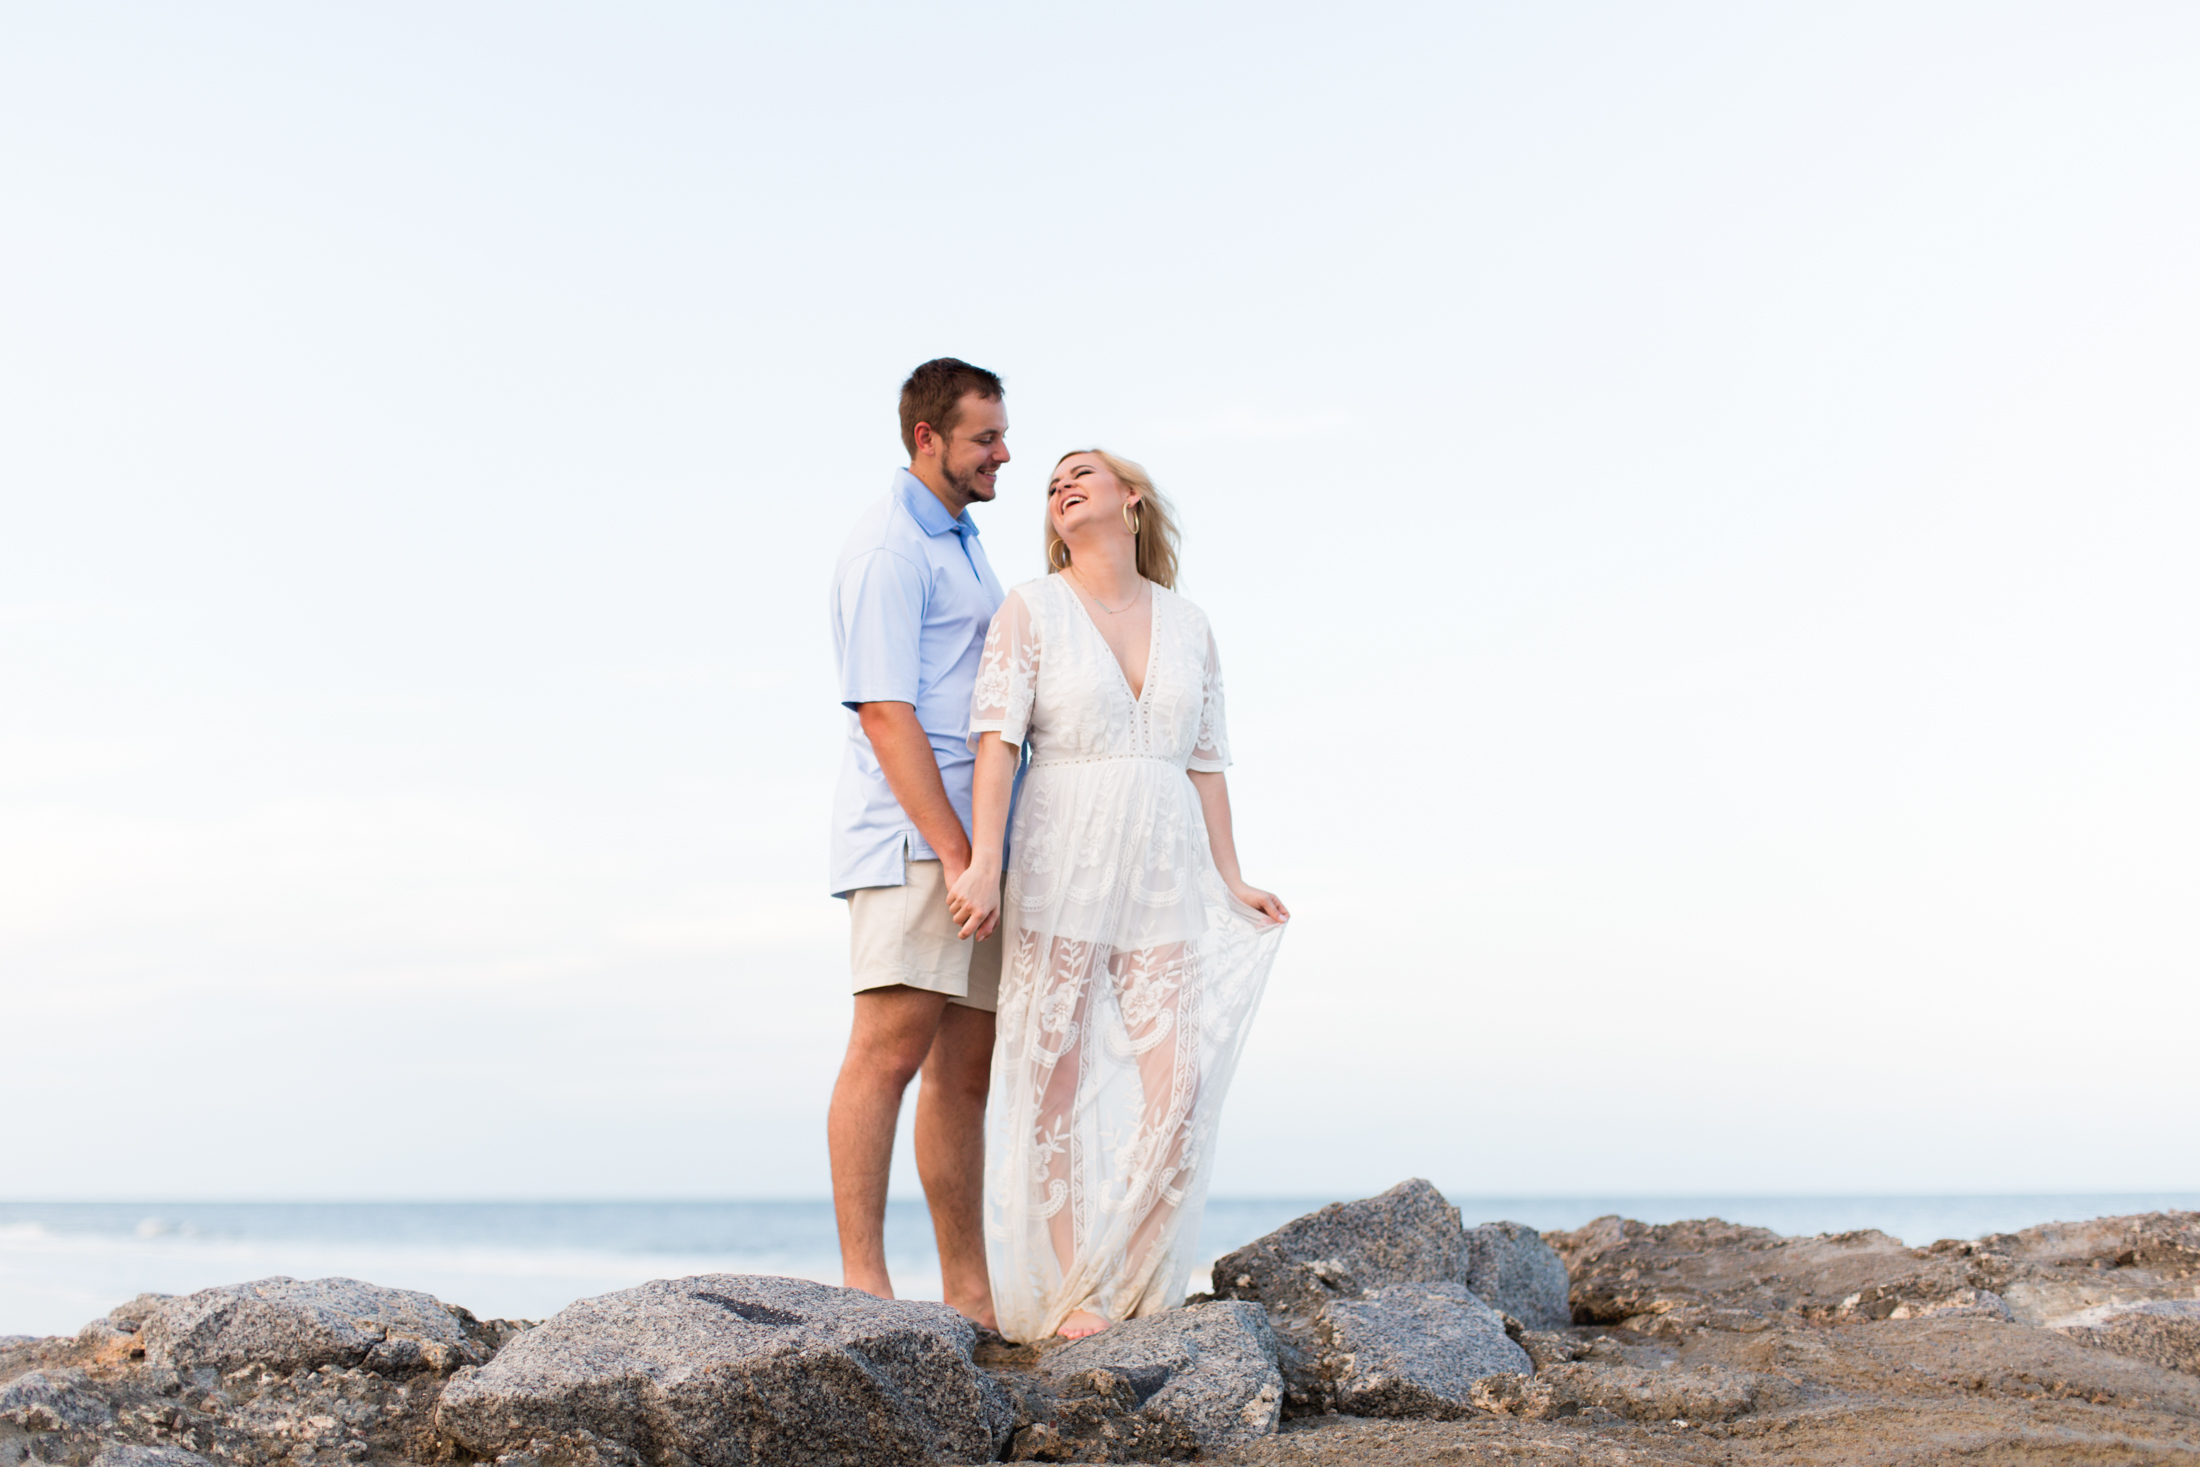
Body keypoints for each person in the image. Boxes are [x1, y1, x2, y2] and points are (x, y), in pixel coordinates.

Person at [948, 448, 1288, 1341]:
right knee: (1052, 1071)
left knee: (1178, 1074)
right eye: (1053, 481)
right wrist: (985, 861)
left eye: (1081, 471)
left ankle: (1126, 1267)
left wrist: (1232, 873)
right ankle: (1069, 1293)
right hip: (1065, 848)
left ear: (1130, 499)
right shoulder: (1032, 609)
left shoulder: (1191, 623)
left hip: (1165, 864)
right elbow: (996, 745)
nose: (1061, 484)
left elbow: (1205, 762)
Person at [826, 357, 1012, 1329]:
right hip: (914, 843)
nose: (1003, 453)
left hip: (972, 848)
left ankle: (969, 1298)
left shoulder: (964, 541)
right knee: (887, 1052)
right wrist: (955, 854)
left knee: (963, 1074)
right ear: (927, 439)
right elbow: (886, 714)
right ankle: (865, 1289)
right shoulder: (891, 548)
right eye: (985, 438)